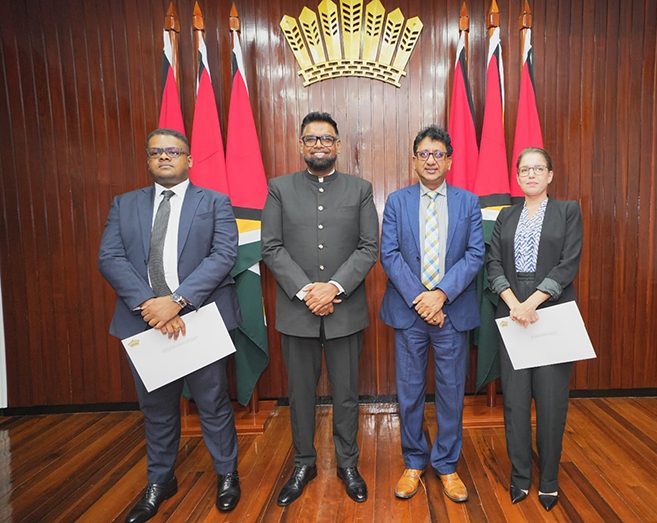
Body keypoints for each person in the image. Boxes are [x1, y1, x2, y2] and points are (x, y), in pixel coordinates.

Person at [98, 128, 242, 523]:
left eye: (173, 151)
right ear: (147, 160)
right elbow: (110, 258)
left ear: (189, 160)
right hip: (144, 322)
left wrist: (176, 302)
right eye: (156, 152)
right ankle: (160, 481)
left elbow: (224, 254)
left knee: (212, 403)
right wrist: (150, 305)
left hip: (199, 318)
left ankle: (227, 474)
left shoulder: (214, 202)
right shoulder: (124, 205)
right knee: (157, 408)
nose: (165, 157)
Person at [261, 111, 379, 505]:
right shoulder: (279, 188)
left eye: (326, 139)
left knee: (346, 393)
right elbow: (271, 247)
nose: (319, 145)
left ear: (338, 145)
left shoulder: (360, 189)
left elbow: (368, 247)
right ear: (301, 145)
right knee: (300, 394)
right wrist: (307, 291)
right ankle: (304, 462)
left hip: (345, 309)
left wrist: (333, 288)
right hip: (298, 311)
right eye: (311, 139)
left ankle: (348, 462)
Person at [379, 125, 484, 502]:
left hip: (451, 313)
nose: (431, 160)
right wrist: (420, 299)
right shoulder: (397, 201)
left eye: (438, 154)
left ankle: (446, 464)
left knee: (451, 392)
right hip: (409, 313)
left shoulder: (469, 202)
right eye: (424, 154)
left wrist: (439, 296)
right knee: (408, 393)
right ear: (414, 160)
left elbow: (475, 255)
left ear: (449, 161)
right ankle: (413, 461)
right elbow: (388, 254)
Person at [485, 147, 583, 511]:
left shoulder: (568, 211)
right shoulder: (505, 217)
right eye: (524, 169)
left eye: (537, 168)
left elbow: (568, 263)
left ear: (550, 175)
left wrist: (532, 303)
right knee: (514, 401)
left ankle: (550, 481)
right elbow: (493, 265)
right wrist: (514, 304)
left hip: (551, 311)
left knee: (552, 402)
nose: (530, 174)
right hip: (513, 314)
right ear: (517, 175)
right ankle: (520, 478)